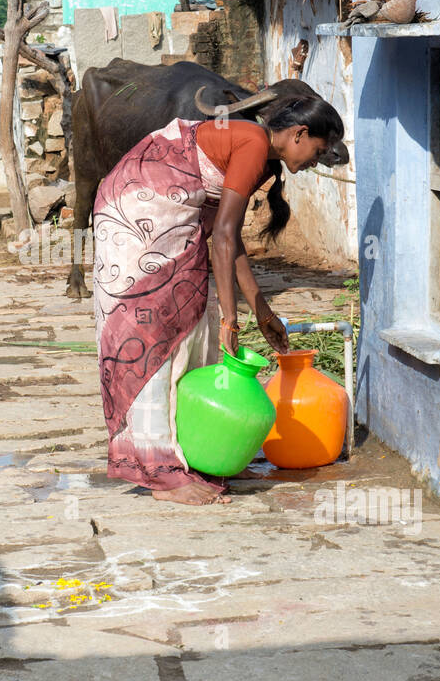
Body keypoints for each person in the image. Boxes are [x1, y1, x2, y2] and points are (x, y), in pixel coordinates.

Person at [93, 96, 345, 506]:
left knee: (195, 321)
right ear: (299, 134)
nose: (315, 163)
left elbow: (231, 240)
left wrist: (262, 312)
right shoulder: (254, 144)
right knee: (155, 332)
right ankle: (160, 470)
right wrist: (232, 318)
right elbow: (224, 236)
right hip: (139, 212)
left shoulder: (257, 149)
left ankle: (194, 453)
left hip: (161, 213)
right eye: (317, 152)